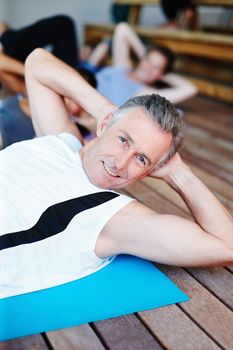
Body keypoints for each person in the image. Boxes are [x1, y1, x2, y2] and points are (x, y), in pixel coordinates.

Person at [0, 48, 232, 299]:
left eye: (141, 159)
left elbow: (227, 246)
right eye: (123, 139)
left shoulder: (113, 217)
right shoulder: (61, 140)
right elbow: (36, 62)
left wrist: (179, 173)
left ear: (149, 172)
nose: (121, 163)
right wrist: (101, 107)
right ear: (104, 125)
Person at [88, 22, 197, 105]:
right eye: (149, 60)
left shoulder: (145, 94)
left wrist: (163, 75)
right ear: (142, 58)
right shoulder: (122, 66)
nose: (149, 68)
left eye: (156, 67)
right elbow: (122, 28)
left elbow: (190, 89)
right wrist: (144, 55)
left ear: (161, 74)